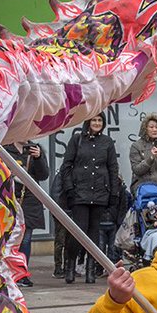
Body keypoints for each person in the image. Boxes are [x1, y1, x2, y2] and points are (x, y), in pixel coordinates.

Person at [58, 115, 119, 284]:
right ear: (88, 122)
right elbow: (66, 166)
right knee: (79, 230)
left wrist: (114, 193)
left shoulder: (107, 142)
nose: (97, 124)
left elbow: (113, 168)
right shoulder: (77, 140)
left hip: (100, 192)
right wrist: (69, 188)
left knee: (94, 233)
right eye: (94, 120)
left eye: (100, 121)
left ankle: (90, 269)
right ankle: (70, 264)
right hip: (80, 192)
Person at [4, 140, 49, 288]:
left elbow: (43, 175)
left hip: (29, 200)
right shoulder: (6, 148)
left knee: (26, 239)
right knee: (8, 239)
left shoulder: (35, 149)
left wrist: (39, 157)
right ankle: (7, 272)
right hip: (8, 197)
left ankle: (22, 274)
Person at [129, 113, 157, 193]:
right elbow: (137, 170)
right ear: (145, 129)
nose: (155, 130)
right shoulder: (136, 146)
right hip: (144, 189)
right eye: (151, 127)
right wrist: (151, 158)